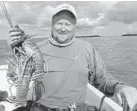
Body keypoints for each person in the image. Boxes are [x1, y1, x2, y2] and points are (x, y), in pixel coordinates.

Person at [8, 3, 137, 111]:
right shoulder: (38, 48)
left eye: (68, 24)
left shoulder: (86, 48)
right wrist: (16, 51)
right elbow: (17, 75)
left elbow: (102, 79)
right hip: (40, 107)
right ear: (52, 25)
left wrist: (120, 87)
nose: (63, 28)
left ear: (74, 27)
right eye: (59, 23)